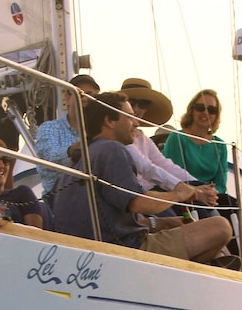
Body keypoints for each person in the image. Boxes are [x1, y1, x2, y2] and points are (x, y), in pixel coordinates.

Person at [53, 92, 232, 264]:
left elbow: (113, 218)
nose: (137, 123)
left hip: (88, 252)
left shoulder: (81, 158)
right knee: (221, 227)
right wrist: (180, 194)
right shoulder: (112, 150)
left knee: (198, 235)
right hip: (125, 251)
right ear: (109, 121)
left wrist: (165, 222)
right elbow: (139, 203)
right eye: (129, 117)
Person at [163, 89, 242, 279]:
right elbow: (172, 174)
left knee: (233, 205)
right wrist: (199, 191)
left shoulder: (219, 145)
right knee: (211, 205)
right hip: (185, 194)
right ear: (192, 110)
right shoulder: (177, 139)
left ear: (216, 116)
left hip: (211, 195)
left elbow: (220, 181)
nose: (205, 113)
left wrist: (211, 193)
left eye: (212, 110)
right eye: (200, 107)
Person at [117, 78, 218, 211]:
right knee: (198, 210)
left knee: (219, 205)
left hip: (157, 192)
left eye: (143, 104)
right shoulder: (119, 138)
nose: (136, 109)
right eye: (132, 102)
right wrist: (186, 189)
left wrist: (199, 186)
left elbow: (165, 164)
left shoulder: (142, 138)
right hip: (139, 199)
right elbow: (147, 168)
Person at [33, 74, 100, 206]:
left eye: (92, 96)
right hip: (58, 197)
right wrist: (76, 149)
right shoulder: (50, 128)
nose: (87, 99)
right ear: (67, 98)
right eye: (81, 94)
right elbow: (49, 159)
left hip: (93, 196)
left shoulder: (99, 132)